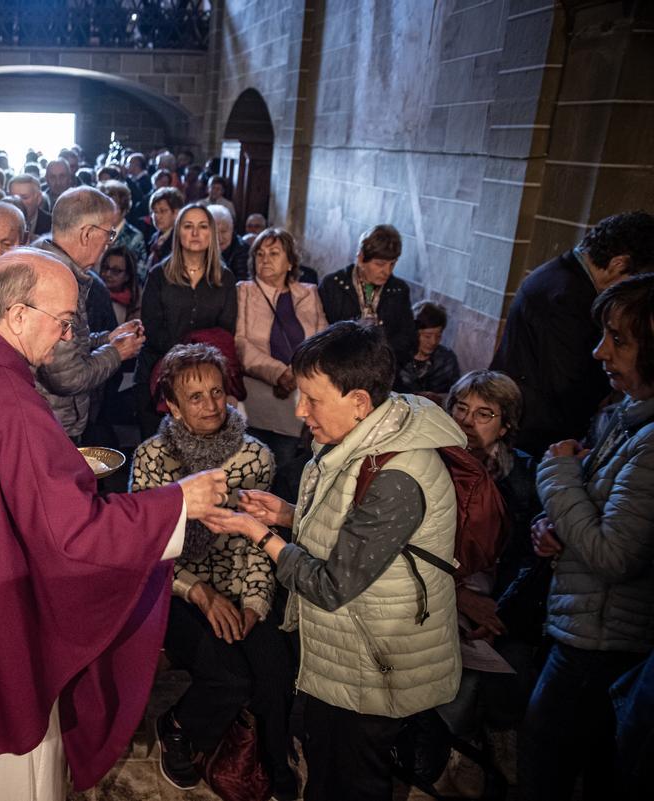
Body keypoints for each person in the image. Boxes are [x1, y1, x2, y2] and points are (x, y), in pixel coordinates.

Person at [0, 248, 230, 801]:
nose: (66, 337)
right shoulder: (7, 398)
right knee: (7, 761)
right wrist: (177, 502)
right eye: (62, 321)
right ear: (16, 314)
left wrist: (49, 469)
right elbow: (74, 535)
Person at [204, 321, 465, 801]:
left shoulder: (398, 474)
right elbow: (356, 532)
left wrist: (258, 534)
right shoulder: (366, 438)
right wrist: (288, 514)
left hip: (376, 663)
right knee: (325, 766)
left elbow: (330, 583)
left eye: (312, 399)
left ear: (361, 401)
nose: (300, 411)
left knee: (352, 782)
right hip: (348, 651)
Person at [130, 344, 296, 797]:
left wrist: (256, 604)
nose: (209, 405)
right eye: (196, 397)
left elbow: (257, 544)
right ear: (175, 408)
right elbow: (148, 547)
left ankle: (274, 764)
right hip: (174, 589)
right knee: (229, 675)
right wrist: (199, 591)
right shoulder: (152, 458)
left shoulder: (254, 457)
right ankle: (179, 727)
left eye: (216, 392)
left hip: (240, 584)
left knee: (275, 673)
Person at [519, 273, 654, 801]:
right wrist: (551, 528)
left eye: (619, 339)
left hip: (602, 641)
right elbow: (595, 518)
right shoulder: (626, 417)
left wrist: (556, 475)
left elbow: (614, 554)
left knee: (547, 770)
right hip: (586, 625)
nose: (600, 351)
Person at [431, 370, 541, 788]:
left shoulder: (524, 477)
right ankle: (448, 753)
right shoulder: (431, 461)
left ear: (506, 424)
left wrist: (499, 613)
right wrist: (459, 598)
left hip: (500, 601)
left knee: (511, 672)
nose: (467, 422)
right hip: (441, 591)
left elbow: (529, 559)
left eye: (484, 414)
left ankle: (478, 750)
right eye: (460, 408)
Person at [491, 210, 654, 455]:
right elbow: (569, 386)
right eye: (635, 279)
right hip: (533, 433)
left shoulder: (563, 275)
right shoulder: (567, 296)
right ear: (618, 264)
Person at [34, 187, 145, 441]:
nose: (109, 243)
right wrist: (118, 352)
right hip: (52, 425)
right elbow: (68, 377)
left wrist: (108, 339)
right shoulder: (55, 281)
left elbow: (71, 347)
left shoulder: (56, 265)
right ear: (87, 234)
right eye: (109, 234)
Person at [136, 203, 238, 438]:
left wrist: (195, 365)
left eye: (202, 227)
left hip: (203, 382)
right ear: (178, 232)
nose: (195, 233)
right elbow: (152, 327)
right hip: (157, 373)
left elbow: (224, 331)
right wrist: (183, 359)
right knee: (155, 450)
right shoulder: (158, 275)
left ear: (211, 233)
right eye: (188, 226)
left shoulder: (225, 278)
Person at [235, 228, 328, 471]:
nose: (265, 259)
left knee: (287, 467)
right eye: (260, 254)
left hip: (299, 397)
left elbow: (324, 341)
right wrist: (279, 373)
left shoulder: (308, 293)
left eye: (274, 253)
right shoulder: (244, 291)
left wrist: (297, 373)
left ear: (290, 262)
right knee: (253, 466)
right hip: (258, 397)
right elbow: (241, 343)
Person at [319, 223, 416, 370]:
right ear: (361, 258)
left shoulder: (399, 290)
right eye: (380, 264)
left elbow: (407, 339)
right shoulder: (333, 284)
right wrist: (355, 329)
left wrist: (379, 349)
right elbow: (321, 334)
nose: (387, 271)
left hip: (381, 370)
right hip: (338, 367)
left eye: (392, 264)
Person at [397, 301, 461, 398]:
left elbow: (457, 394)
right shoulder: (398, 357)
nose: (433, 342)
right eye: (427, 336)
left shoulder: (447, 359)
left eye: (438, 336)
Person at [97, 179, 146, 269]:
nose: (107, 213)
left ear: (124, 210)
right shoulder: (95, 232)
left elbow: (139, 273)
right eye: (104, 208)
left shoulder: (134, 237)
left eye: (113, 209)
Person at [146, 186, 185, 276]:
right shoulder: (154, 237)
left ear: (176, 213)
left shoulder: (181, 240)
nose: (157, 216)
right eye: (154, 211)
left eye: (163, 211)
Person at [98, 245, 141, 325]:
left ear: (127, 276)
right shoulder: (91, 294)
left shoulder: (135, 304)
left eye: (116, 271)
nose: (108, 274)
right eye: (105, 267)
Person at [211, 204, 250, 281]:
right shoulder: (200, 246)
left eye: (223, 231)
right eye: (214, 232)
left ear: (232, 229)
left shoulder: (242, 250)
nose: (219, 237)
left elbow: (241, 282)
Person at [8, 174, 52, 238]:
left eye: (25, 197)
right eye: (14, 197)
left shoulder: (52, 224)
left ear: (38, 198)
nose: (18, 202)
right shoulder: (0, 222)